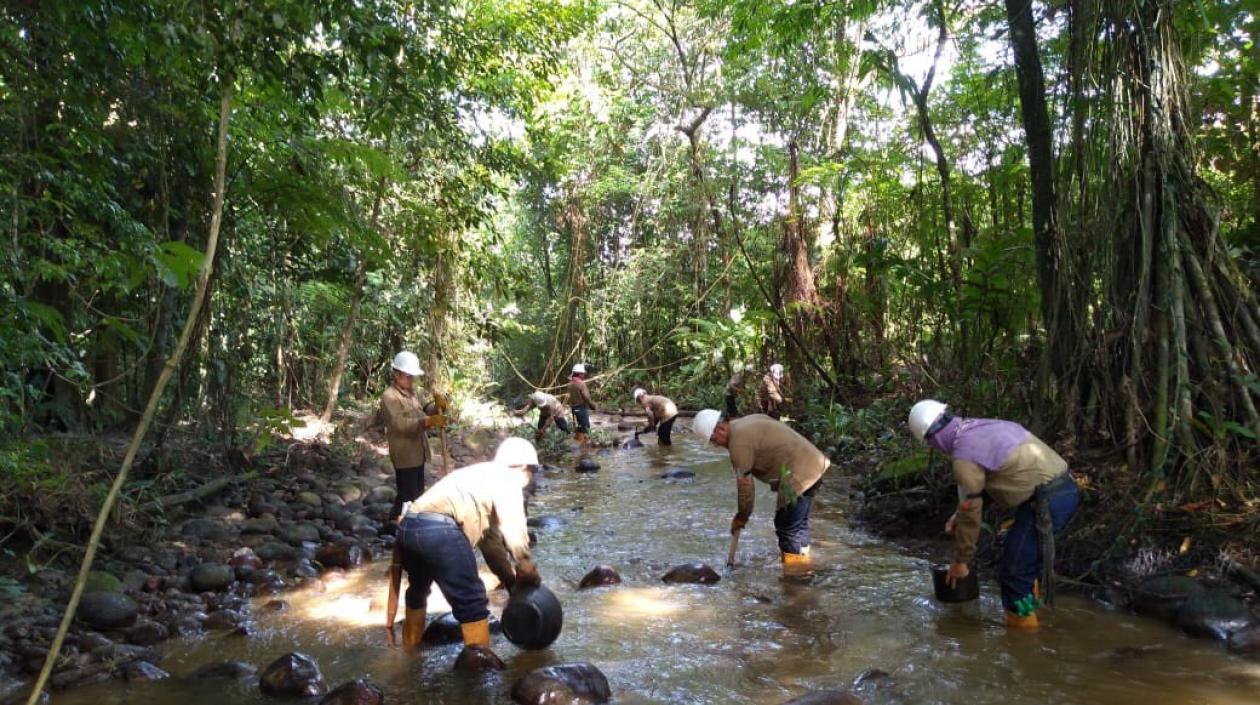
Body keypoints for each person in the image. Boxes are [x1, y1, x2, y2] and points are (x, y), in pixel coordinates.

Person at [908, 399, 1081, 630]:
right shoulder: (982, 427)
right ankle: (1034, 616)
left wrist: (961, 562)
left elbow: (971, 516)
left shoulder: (963, 458)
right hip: (1063, 489)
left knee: (1014, 570)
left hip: (1048, 502)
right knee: (1024, 562)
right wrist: (958, 514)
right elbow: (988, 481)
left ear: (932, 440)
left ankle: (1025, 639)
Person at [388, 438, 542, 655]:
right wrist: (525, 562)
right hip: (440, 531)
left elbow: (491, 545)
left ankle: (410, 656)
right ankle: (481, 666)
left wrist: (511, 584)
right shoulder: (508, 479)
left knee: (418, 591)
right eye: (532, 472)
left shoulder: (478, 476)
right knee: (473, 602)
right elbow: (513, 527)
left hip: (409, 527)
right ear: (524, 468)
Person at [692, 409, 830, 570]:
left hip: (798, 475)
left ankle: (796, 574)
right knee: (796, 525)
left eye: (714, 439)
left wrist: (742, 516)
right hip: (814, 464)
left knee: (787, 528)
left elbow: (745, 487)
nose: (716, 445)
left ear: (720, 428)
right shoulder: (747, 421)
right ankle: (803, 562)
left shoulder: (738, 444)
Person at [379, 351, 447, 521]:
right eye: (408, 376)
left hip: (417, 451)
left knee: (416, 492)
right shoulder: (389, 396)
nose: (411, 380)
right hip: (404, 453)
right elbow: (399, 424)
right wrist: (427, 422)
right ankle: (397, 523)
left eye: (412, 377)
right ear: (397, 375)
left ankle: (407, 522)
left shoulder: (412, 393)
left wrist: (437, 407)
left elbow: (424, 409)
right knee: (407, 494)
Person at [568, 363, 596, 444]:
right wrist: (592, 406)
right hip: (581, 408)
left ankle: (578, 445)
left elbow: (569, 397)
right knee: (585, 428)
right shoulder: (581, 384)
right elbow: (586, 397)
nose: (584, 375)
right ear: (579, 374)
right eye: (583, 374)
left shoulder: (570, 384)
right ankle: (584, 447)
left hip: (574, 409)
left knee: (579, 428)